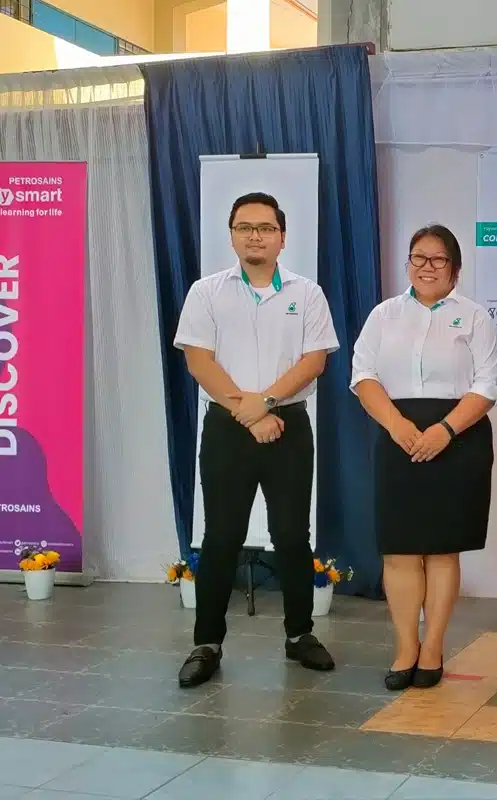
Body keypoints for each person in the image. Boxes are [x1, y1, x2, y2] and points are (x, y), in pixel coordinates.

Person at [174, 192, 340, 688]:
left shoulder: (307, 294)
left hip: (288, 424)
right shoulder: (207, 292)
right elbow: (198, 360)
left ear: (282, 237)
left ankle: (299, 635)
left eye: (265, 228)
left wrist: (265, 404)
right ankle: (207, 643)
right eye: (245, 227)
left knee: (291, 535)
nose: (255, 236)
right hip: (227, 426)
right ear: (231, 235)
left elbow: (315, 361)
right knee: (221, 536)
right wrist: (247, 412)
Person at [351, 224, 497, 691]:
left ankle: (433, 647)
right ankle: (404, 649)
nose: (427, 267)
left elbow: (488, 385)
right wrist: (397, 426)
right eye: (419, 258)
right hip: (397, 437)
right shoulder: (383, 315)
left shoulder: (476, 318)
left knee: (441, 549)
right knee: (398, 550)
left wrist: (444, 430)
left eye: (438, 260)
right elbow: (363, 375)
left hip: (458, 438)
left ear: (455, 269)